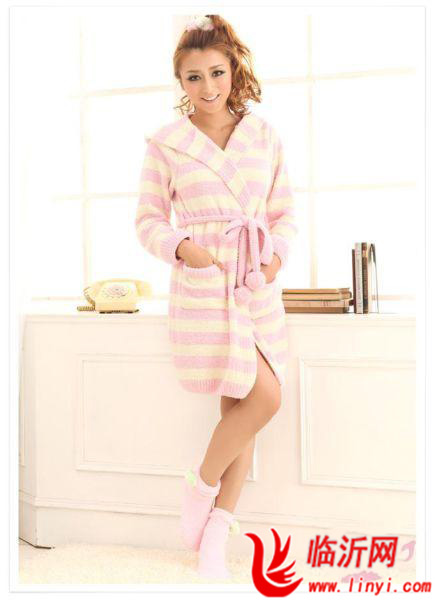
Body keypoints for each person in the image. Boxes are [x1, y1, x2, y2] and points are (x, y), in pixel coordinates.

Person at [135, 13, 298, 580]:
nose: (207, 87)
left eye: (217, 73)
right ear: (179, 81)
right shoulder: (168, 144)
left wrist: (274, 259)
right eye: (193, 77)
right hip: (206, 286)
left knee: (252, 407)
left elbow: (283, 212)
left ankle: (209, 514)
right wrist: (185, 249)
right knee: (251, 403)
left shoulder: (263, 135)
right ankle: (208, 506)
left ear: (234, 70)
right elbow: (148, 220)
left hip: (255, 283)